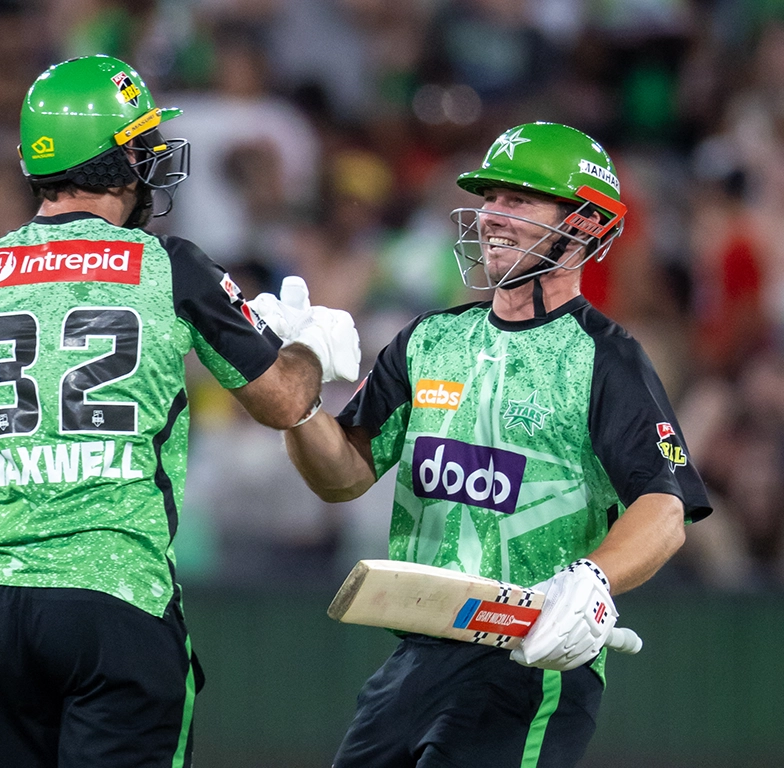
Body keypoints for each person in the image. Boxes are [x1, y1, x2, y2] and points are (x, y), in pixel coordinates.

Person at [0, 54, 359, 768]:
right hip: (120, 595)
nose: (151, 161)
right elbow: (284, 402)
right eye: (141, 144)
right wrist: (309, 347)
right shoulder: (169, 265)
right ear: (113, 163)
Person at [258, 121, 711, 767]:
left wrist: (593, 579)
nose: (492, 216)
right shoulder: (428, 339)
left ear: (585, 223)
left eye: (519, 201)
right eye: (491, 198)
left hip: (530, 655)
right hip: (415, 656)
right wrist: (297, 400)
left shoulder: (608, 358)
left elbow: (665, 509)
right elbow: (343, 476)